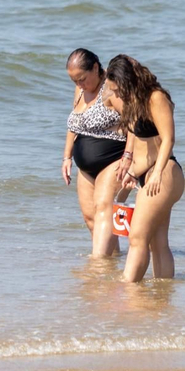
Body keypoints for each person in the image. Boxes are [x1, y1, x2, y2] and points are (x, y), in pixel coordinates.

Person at [105, 54, 185, 282]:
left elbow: (168, 139)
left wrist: (157, 173)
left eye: (117, 89)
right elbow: (141, 140)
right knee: (157, 243)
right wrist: (132, 168)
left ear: (128, 81)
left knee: (137, 238)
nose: (116, 95)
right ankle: (163, 294)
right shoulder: (135, 100)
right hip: (148, 173)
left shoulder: (156, 97)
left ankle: (126, 290)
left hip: (165, 172)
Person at [62, 48, 126, 257]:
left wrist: (130, 157)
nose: (79, 84)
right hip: (85, 164)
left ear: (96, 68)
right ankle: (111, 260)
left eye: (82, 78)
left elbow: (135, 121)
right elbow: (74, 124)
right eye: (74, 81)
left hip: (114, 157)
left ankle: (97, 264)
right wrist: (67, 157)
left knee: (103, 210)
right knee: (90, 218)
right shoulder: (80, 91)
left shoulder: (112, 87)